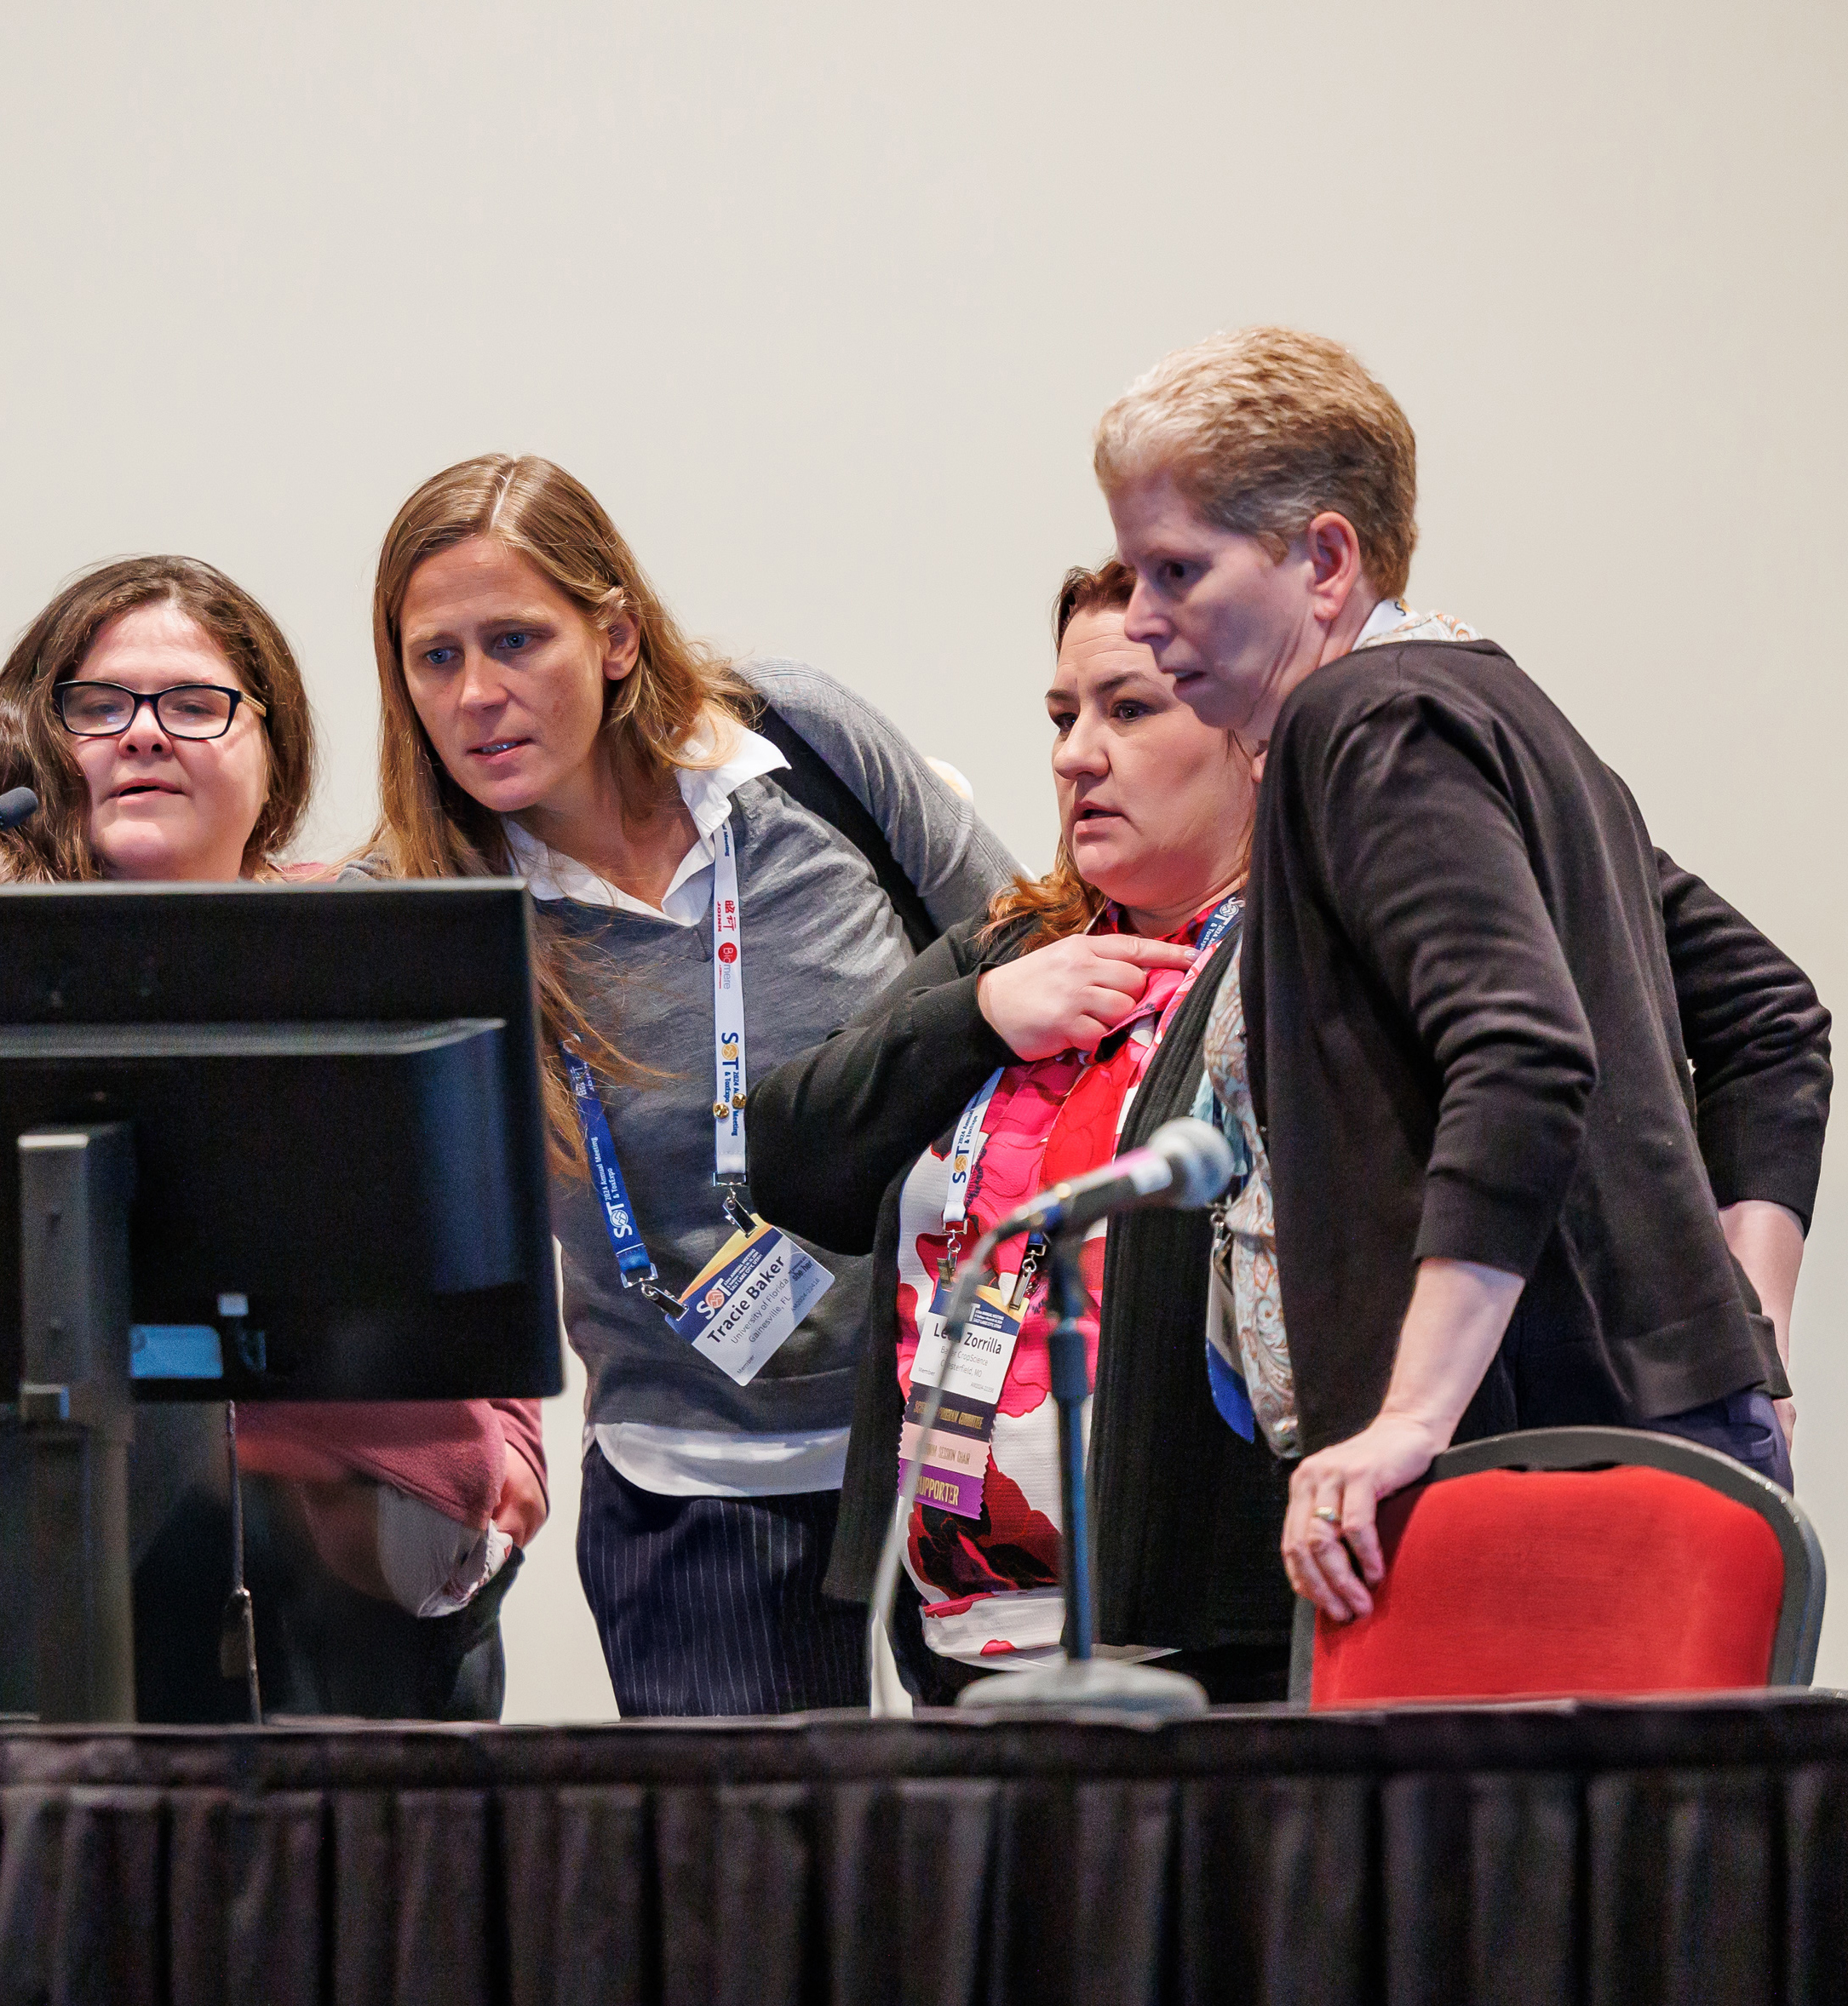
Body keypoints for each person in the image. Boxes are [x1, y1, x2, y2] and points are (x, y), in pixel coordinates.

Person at [0, 553, 547, 1718]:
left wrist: (517, 1447)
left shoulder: (356, 941)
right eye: (99, 705)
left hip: (353, 1550)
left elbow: (476, 1229)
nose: (144, 733)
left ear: (273, 758)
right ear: (37, 736)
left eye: (196, 704)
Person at [1098, 327, 1830, 1625]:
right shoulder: (1491, 709)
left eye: (1175, 570)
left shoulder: (1361, 724)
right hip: (1644, 1442)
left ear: (1322, 560)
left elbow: (1522, 1050)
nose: (1142, 621)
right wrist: (1738, 1318)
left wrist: (1406, 1416)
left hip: (1524, 1468)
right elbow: (1768, 1009)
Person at [364, 454, 1018, 1714]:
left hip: (960, 1431)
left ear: (612, 636)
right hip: (698, 1480)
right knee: (765, 1907)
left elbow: (1022, 944)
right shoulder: (422, 912)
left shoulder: (798, 747)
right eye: (434, 657)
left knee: (1005, 1886)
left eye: (514, 639)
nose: (477, 694)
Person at [746, 559, 1296, 1703]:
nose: (1073, 753)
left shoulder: (1295, 965)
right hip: (957, 1631)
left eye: (1127, 708)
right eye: (1061, 715)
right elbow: (793, 1162)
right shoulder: (1007, 950)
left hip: (1204, 1641)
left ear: (1248, 727)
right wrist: (983, 1019)